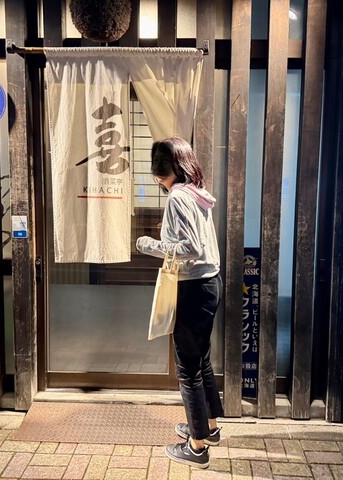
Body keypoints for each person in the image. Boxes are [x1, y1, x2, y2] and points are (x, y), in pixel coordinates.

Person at [136, 136, 223, 469]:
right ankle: (207, 427)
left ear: (169, 167)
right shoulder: (196, 193)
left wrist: (149, 244)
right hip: (208, 284)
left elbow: (190, 249)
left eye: (160, 165)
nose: (156, 171)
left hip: (193, 288)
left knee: (188, 368)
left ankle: (197, 447)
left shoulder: (177, 197)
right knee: (201, 362)